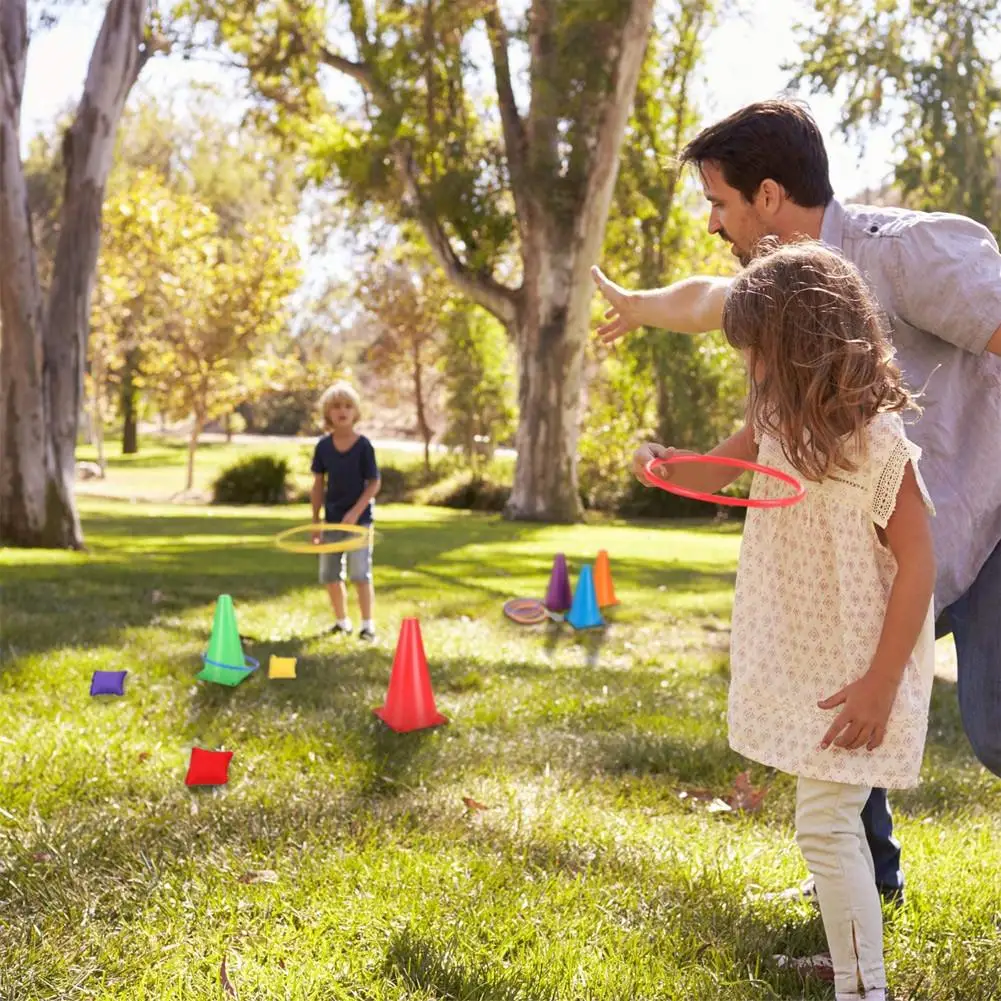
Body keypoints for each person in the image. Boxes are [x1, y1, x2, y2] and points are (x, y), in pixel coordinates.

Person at [593, 99, 1001, 906]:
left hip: (981, 525)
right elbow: (704, 299)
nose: (713, 223)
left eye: (719, 202)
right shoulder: (783, 296)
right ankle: (860, 893)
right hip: (881, 543)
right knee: (841, 702)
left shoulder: (903, 253)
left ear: (769, 195)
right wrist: (639, 309)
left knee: (994, 730)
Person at [635, 239, 934, 1001]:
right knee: (829, 825)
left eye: (760, 354)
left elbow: (918, 569)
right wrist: (666, 466)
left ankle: (863, 987)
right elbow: (713, 473)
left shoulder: (876, 447)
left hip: (859, 668)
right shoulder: (777, 419)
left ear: (803, 349)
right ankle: (852, 962)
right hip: (810, 653)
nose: (752, 371)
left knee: (823, 827)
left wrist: (877, 682)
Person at [310, 382, 381, 641]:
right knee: (329, 575)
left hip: (359, 522)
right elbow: (318, 486)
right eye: (336, 406)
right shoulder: (323, 447)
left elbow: (374, 483)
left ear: (356, 412)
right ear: (328, 413)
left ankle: (368, 626)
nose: (342, 411)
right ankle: (342, 622)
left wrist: (355, 512)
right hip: (331, 523)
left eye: (348, 406)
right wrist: (316, 522)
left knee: (360, 574)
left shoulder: (363, 446)